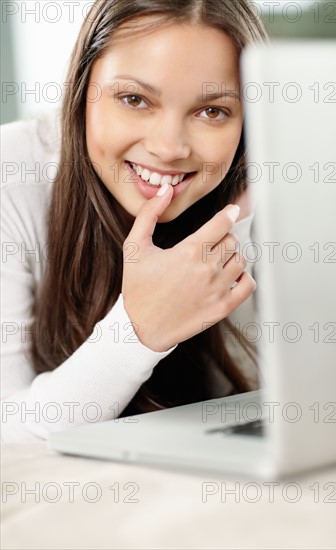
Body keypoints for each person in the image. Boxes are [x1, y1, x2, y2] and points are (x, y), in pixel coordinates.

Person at [1, 0, 267, 441]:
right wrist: (139, 329)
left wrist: (242, 234)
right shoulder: (13, 172)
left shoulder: (257, 190)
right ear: (81, 89)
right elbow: (9, 435)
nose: (168, 147)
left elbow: (251, 405)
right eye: (134, 99)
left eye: (212, 111)